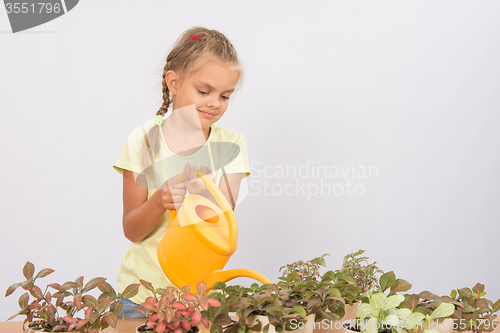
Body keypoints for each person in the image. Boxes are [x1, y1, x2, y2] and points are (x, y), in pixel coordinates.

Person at [112, 27, 251, 318]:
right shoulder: (143, 141)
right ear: (173, 82)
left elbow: (225, 223)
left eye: (225, 96)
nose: (215, 102)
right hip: (140, 299)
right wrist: (158, 201)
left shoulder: (232, 145)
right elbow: (132, 230)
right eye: (204, 91)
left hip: (198, 299)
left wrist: (206, 194)